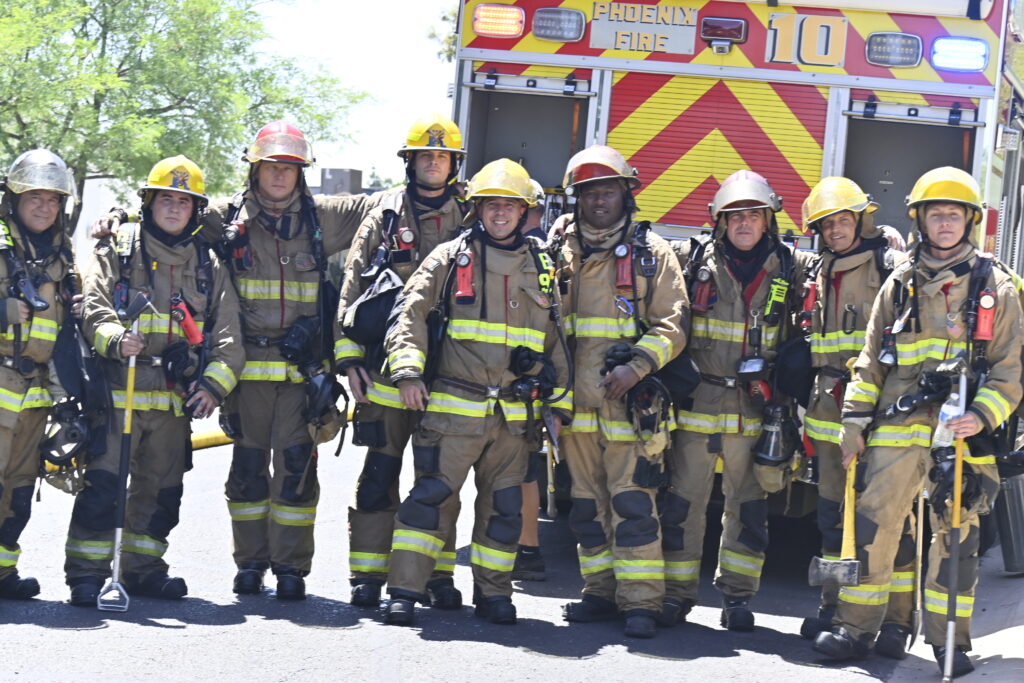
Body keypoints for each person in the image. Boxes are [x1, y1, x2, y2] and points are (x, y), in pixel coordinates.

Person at [813, 167, 1022, 678]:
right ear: (920, 220)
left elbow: (1011, 371)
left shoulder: (995, 287)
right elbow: (870, 361)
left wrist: (980, 414)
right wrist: (853, 423)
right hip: (897, 425)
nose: (945, 222)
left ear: (970, 221)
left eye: (954, 214)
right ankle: (856, 629)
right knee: (874, 525)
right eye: (935, 214)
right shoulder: (900, 282)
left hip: (964, 433)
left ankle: (950, 643)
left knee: (958, 537)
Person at [381, 159, 570, 626]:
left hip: (514, 418)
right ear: (477, 209)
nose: (500, 213)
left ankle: (494, 594)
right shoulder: (449, 258)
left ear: (525, 212)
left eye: (510, 205)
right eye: (491, 205)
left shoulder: (543, 266)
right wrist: (408, 372)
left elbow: (557, 340)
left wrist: (558, 404)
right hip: (453, 410)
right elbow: (409, 314)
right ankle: (404, 591)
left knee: (503, 510)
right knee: (430, 501)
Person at [67, 156, 244, 604]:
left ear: (196, 210)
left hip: (170, 402)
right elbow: (93, 306)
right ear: (148, 202)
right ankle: (87, 575)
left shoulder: (207, 264)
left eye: (183, 202)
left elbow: (229, 337)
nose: (173, 208)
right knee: (103, 487)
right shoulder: (118, 248)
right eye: (165, 198)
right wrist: (115, 339)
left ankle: (143, 569)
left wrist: (212, 386)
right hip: (118, 393)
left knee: (162, 493)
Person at [663, 170, 811, 631]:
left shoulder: (791, 266)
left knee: (748, 508)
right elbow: (642, 256)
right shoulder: (691, 259)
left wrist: (884, 243)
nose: (744, 223)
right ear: (720, 222)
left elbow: (845, 261)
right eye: (735, 216)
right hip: (699, 403)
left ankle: (738, 598)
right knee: (682, 505)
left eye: (753, 215)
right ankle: (675, 595)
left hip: (757, 408)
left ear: (768, 221)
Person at [337, 114, 469, 608]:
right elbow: (352, 286)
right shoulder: (386, 216)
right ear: (410, 162)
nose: (433, 162)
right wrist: (349, 360)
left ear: (454, 164)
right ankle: (368, 574)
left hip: (451, 373)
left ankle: (436, 576)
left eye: (442, 156)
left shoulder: (472, 215)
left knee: (439, 482)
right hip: (384, 372)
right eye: (425, 155)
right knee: (379, 473)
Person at [557, 145, 688, 639]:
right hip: (575, 406)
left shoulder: (652, 254)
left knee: (633, 505)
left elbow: (673, 325)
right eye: (589, 192)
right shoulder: (559, 252)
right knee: (585, 507)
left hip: (629, 408)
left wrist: (637, 368)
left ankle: (641, 602)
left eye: (607, 190)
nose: (598, 200)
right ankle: (599, 592)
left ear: (626, 193)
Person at [797, 177, 915, 658]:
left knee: (888, 522)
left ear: (862, 221)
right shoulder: (820, 267)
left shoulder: (891, 267)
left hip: (879, 412)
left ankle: (896, 622)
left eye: (843, 221)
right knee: (833, 518)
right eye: (826, 225)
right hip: (830, 412)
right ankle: (834, 608)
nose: (835, 231)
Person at [0, 149, 78, 600]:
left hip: (35, 396)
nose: (44, 207)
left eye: (52, 199)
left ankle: (2, 572)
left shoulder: (60, 258)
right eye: (34, 197)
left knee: (19, 491)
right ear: (13, 200)